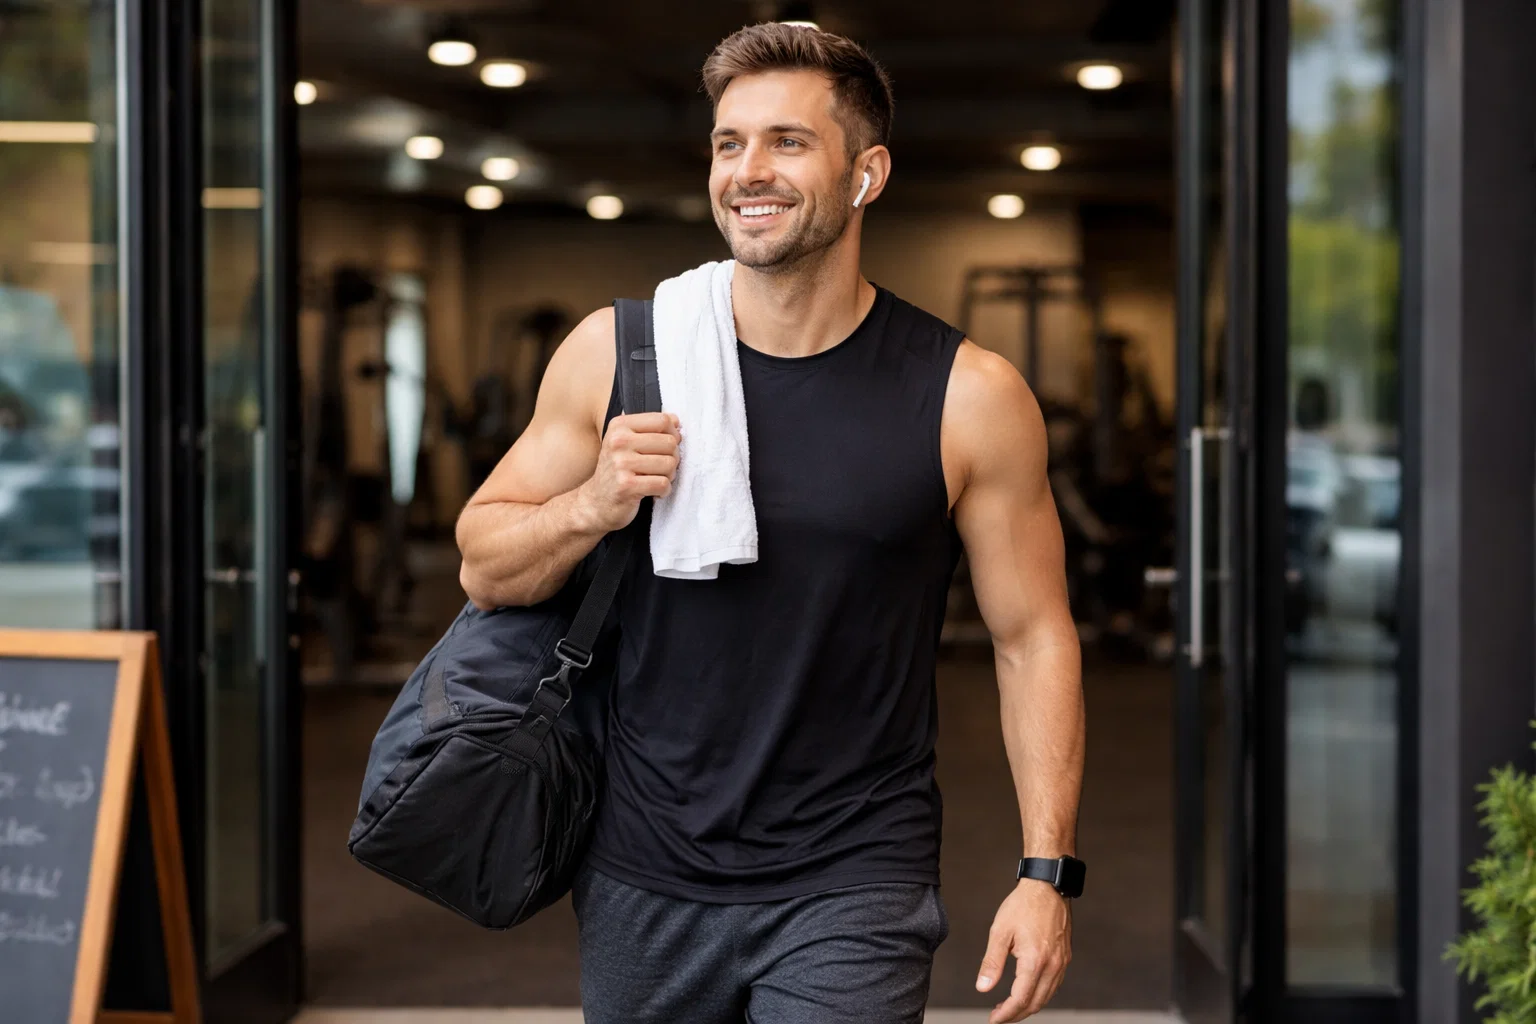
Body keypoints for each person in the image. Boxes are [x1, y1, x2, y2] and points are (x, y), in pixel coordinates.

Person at [456, 22, 1085, 1024]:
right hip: (641, 870)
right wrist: (596, 501)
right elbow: (484, 565)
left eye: (788, 142)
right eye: (727, 142)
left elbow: (1032, 635)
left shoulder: (967, 396)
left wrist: (1046, 869)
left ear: (865, 173)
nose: (748, 169)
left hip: (854, 874)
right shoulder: (619, 357)